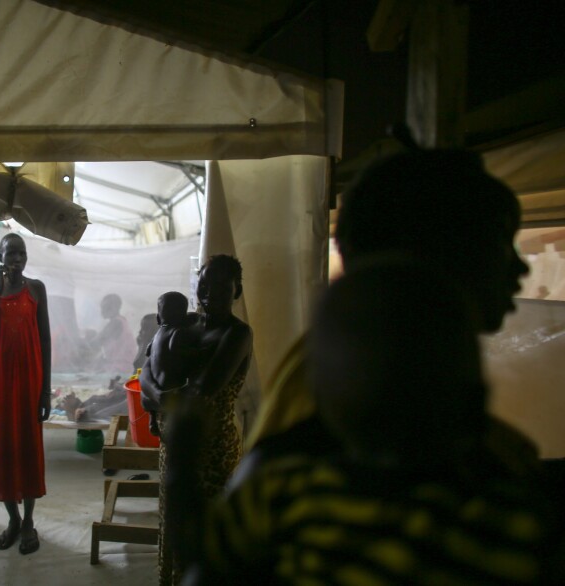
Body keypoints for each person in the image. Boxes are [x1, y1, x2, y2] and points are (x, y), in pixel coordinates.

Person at [170, 262, 565, 585]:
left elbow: (200, 550)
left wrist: (182, 454)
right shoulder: (507, 519)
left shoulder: (287, 489)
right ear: (474, 397)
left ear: (322, 401)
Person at [243, 146, 536, 477]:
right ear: (434, 250)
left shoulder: (344, 362)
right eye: (500, 241)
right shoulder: (356, 393)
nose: (521, 268)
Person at [140, 254, 253, 586]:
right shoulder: (184, 323)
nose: (209, 291)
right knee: (174, 526)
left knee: (205, 538)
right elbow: (147, 368)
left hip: (214, 449)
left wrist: (156, 397)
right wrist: (159, 397)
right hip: (175, 445)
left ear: (237, 290)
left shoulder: (237, 335)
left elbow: (200, 392)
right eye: (204, 282)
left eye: (221, 285)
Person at [0, 232, 51, 556]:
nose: (16, 259)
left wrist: (45, 390)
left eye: (21, 254)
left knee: (28, 446)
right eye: (10, 254)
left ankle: (30, 521)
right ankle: (13, 519)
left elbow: (45, 339)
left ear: (26, 258)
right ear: (1, 258)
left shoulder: (36, 289)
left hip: (29, 378)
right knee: (2, 445)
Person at [143, 291, 196, 437]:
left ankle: (152, 419)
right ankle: (154, 420)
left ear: (158, 317)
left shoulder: (158, 334)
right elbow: (185, 353)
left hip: (155, 391)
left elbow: (149, 352)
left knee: (146, 400)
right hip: (169, 389)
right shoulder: (177, 332)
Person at [92, 293, 137, 376]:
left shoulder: (115, 323)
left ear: (114, 307)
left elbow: (95, 343)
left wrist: (87, 337)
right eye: (102, 307)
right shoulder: (122, 321)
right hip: (123, 367)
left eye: (105, 307)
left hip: (119, 369)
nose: (102, 310)